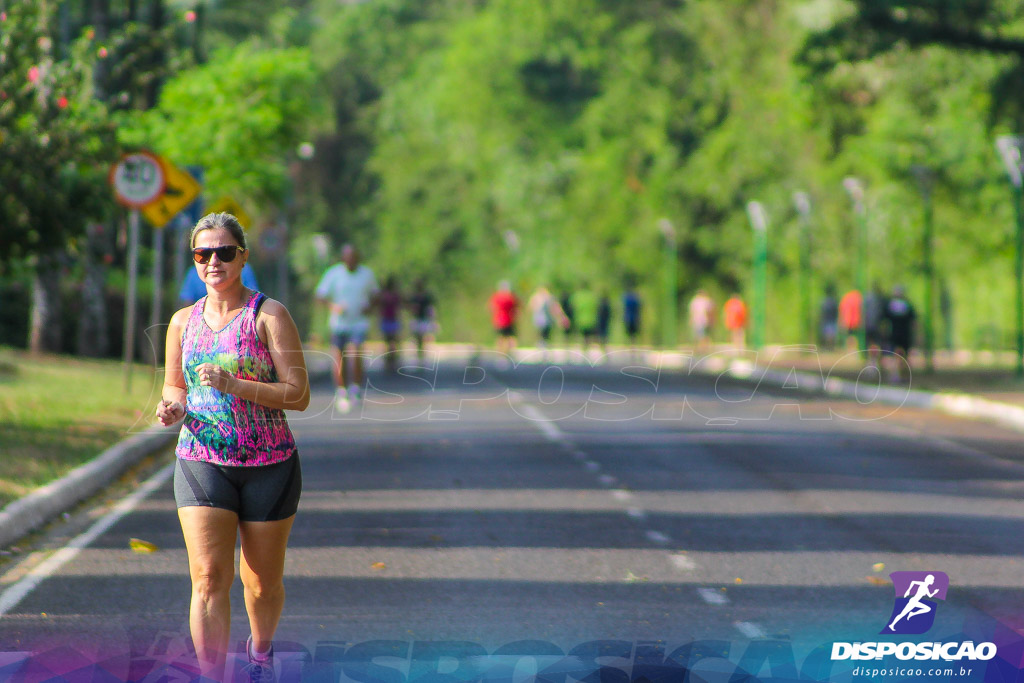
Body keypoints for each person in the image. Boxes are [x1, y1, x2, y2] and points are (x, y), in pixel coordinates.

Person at [155, 212, 310, 682]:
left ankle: (259, 654)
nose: (214, 262)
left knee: (261, 583)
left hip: (269, 463)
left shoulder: (269, 316)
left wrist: (235, 385)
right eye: (203, 254)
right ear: (194, 261)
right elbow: (175, 388)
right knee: (207, 579)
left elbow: (299, 395)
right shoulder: (183, 322)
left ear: (242, 256)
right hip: (203, 460)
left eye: (224, 252)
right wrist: (172, 409)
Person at [315, 244, 379, 413]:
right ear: (343, 259)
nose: (351, 261)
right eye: (348, 258)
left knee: (356, 352)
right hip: (339, 323)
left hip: (358, 322)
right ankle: (341, 390)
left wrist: (369, 307)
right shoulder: (334, 274)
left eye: (354, 258)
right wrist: (333, 306)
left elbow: (375, 295)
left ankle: (356, 389)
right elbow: (320, 295)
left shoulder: (366, 274)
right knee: (338, 356)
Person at [179, 263, 259, 306]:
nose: (214, 260)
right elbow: (187, 301)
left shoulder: (245, 270)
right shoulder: (193, 273)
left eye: (224, 251)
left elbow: (252, 298)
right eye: (205, 253)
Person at [884, 284, 917, 383]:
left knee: (896, 354)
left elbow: (885, 320)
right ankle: (904, 374)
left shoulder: (890, 305)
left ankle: (897, 374)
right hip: (905, 334)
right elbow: (914, 321)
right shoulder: (907, 305)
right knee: (904, 355)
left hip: (895, 333)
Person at [528, 286, 568, 353]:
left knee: (543, 335)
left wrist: (561, 317)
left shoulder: (540, 297)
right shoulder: (547, 297)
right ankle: (543, 349)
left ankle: (542, 349)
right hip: (544, 321)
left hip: (542, 321)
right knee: (544, 336)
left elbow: (530, 307)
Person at [377, 275, 403, 373]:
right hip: (391, 319)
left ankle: (390, 359)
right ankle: (391, 359)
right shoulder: (394, 295)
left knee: (388, 341)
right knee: (393, 341)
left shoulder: (384, 295)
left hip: (387, 319)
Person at [408, 278, 438, 362]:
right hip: (417, 319)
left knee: (422, 337)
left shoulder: (426, 296)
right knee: (418, 338)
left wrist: (432, 319)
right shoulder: (414, 296)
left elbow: (431, 308)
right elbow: (411, 308)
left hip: (424, 319)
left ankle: (421, 355)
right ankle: (419, 354)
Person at [489, 280, 519, 358]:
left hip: (498, 320)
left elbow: (492, 307)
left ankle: (499, 353)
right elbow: (516, 309)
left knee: (500, 338)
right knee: (510, 337)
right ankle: (508, 353)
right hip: (509, 320)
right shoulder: (511, 297)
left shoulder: (496, 297)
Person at [864, 283, 888, 369]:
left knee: (871, 343)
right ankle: (876, 361)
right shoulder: (882, 299)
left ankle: (872, 361)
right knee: (878, 344)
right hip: (877, 325)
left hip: (870, 325)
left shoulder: (867, 298)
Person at [571, 284, 600, 353]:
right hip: (590, 319)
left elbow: (573, 307)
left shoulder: (577, 295)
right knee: (588, 335)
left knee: (583, 335)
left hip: (580, 319)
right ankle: (587, 347)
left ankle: (584, 348)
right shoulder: (592, 296)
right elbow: (596, 307)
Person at [622, 284, 642, 354]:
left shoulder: (626, 298)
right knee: (634, 334)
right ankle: (633, 347)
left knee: (629, 333)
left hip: (629, 318)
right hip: (634, 318)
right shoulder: (636, 298)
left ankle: (630, 347)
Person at [819, 284, 839, 351]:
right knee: (831, 335)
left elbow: (822, 311)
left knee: (827, 335)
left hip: (827, 320)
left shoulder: (824, 301)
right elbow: (836, 311)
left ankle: (828, 347)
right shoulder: (833, 301)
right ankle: (830, 347)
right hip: (831, 320)